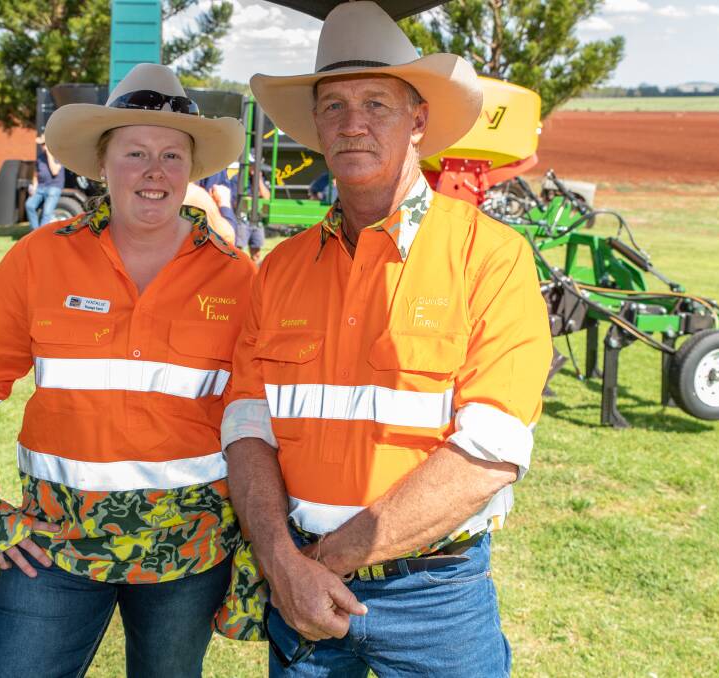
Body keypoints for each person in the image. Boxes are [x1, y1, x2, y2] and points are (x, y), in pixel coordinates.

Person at [221, 2, 553, 676]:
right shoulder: (278, 269)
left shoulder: (489, 256)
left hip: (434, 597)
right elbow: (245, 424)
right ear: (316, 126)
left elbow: (489, 450)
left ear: (419, 121)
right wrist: (282, 563)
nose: (353, 124)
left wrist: (319, 566)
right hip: (300, 585)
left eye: (377, 102)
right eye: (334, 106)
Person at [0, 62, 254, 677]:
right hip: (53, 548)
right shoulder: (40, 258)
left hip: (187, 555)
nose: (153, 172)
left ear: (192, 171)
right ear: (102, 165)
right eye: (134, 153)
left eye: (171, 156)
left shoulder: (238, 276)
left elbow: (260, 423)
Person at [200, 157, 270, 262]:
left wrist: (258, 179)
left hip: (257, 220)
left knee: (256, 253)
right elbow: (234, 201)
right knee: (238, 250)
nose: (256, 168)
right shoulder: (237, 179)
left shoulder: (261, 179)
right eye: (254, 166)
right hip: (242, 219)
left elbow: (266, 197)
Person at [25, 134, 65, 230]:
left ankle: (41, 235)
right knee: (29, 205)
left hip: (53, 187)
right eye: (41, 144)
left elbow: (54, 171)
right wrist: (34, 187)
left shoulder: (58, 156)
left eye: (44, 144)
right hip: (40, 187)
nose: (42, 146)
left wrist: (49, 155)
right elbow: (36, 174)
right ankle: (35, 232)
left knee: (46, 212)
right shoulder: (40, 158)